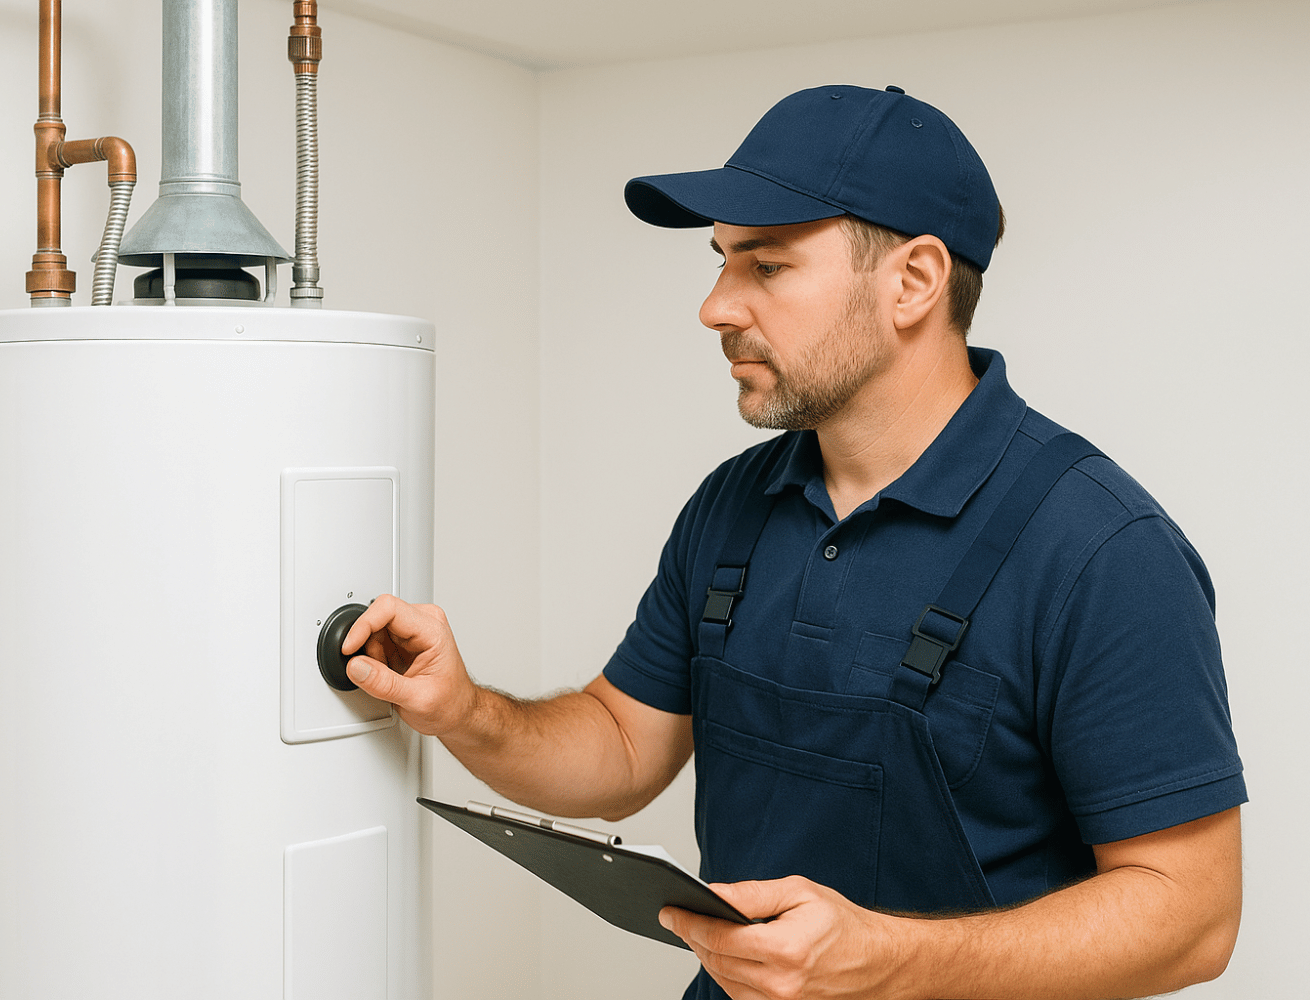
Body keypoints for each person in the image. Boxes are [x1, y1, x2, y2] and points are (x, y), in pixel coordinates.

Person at [341, 85, 1246, 1000]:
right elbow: (620, 749)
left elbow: (1191, 919)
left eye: (765, 267)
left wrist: (892, 959)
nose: (715, 307)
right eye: (721, 262)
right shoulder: (735, 503)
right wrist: (460, 709)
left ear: (916, 281)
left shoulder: (1101, 550)